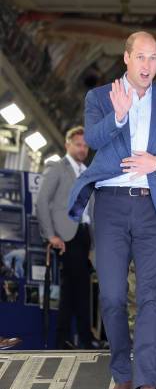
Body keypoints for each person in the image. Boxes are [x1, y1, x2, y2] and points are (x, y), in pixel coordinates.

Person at [68, 31, 156, 389]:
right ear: (126, 59)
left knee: (149, 297)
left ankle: (146, 384)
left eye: (154, 58)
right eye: (141, 57)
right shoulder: (99, 98)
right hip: (109, 207)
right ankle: (122, 376)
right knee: (111, 297)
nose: (148, 65)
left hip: (150, 207)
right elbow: (93, 137)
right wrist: (120, 114)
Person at [37, 126, 94, 349]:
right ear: (67, 145)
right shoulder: (57, 168)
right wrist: (51, 235)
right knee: (79, 287)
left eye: (85, 146)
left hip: (84, 234)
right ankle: (82, 338)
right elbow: (42, 202)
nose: (82, 149)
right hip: (66, 235)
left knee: (74, 287)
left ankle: (64, 339)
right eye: (78, 144)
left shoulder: (88, 171)